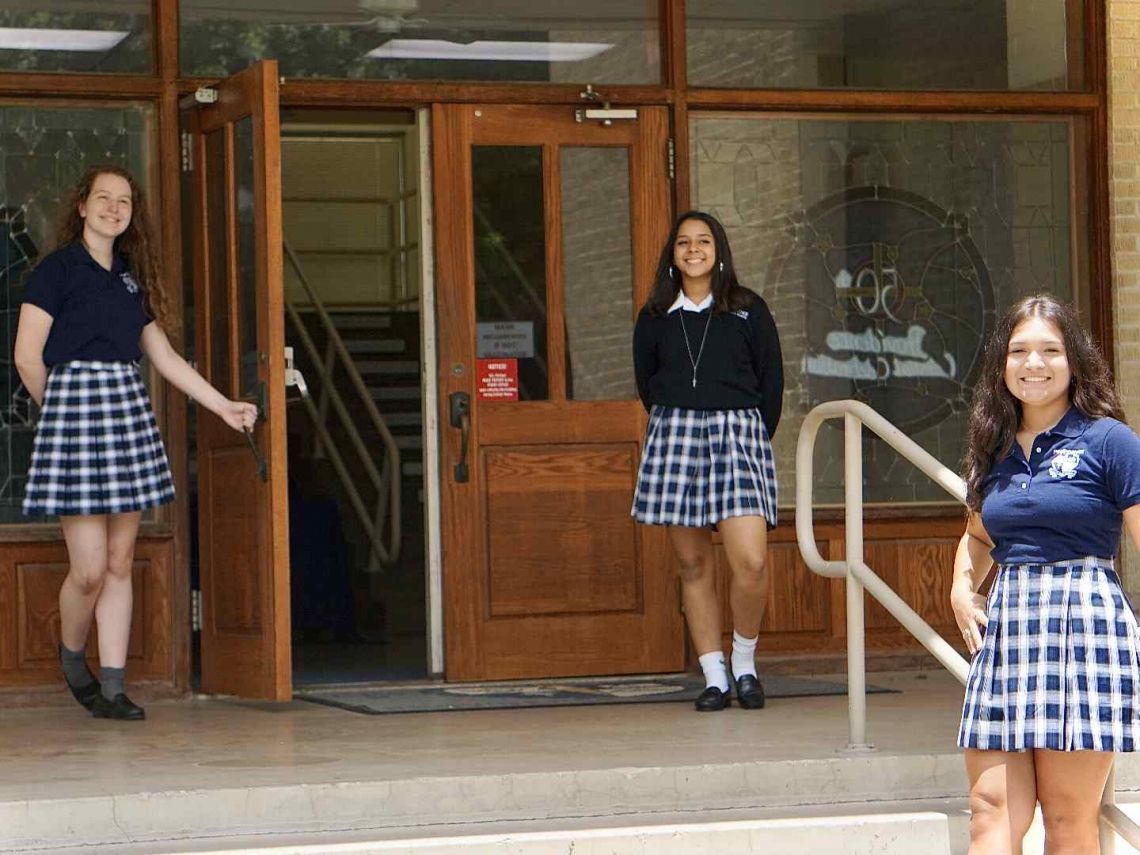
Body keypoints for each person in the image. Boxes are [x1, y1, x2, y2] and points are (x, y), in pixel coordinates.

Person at [14, 166, 257, 721]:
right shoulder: (56, 271)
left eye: (123, 201)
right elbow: (28, 356)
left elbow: (165, 358)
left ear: (131, 214)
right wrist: (61, 417)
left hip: (124, 409)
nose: (113, 208)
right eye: (103, 198)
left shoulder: (129, 278)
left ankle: (116, 689)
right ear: (82, 206)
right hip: (72, 411)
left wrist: (224, 406)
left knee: (122, 560)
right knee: (90, 569)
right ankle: (75, 661)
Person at [953, 294, 1140, 853]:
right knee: (990, 811)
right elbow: (978, 534)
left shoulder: (1110, 441)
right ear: (1002, 365)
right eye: (1019, 351)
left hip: (1083, 627)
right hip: (1009, 633)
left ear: (1074, 360)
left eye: (1050, 350)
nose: (1033, 364)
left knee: (1066, 820)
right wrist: (962, 588)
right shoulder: (993, 446)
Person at [631, 210, 784, 712]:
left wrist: (750, 435)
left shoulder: (748, 309)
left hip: (739, 434)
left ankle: (745, 662)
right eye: (682, 243)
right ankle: (714, 675)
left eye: (703, 241)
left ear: (718, 250)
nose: (693, 249)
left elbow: (772, 385)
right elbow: (646, 383)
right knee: (693, 563)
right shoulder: (655, 316)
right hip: (676, 433)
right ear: (672, 255)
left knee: (751, 561)